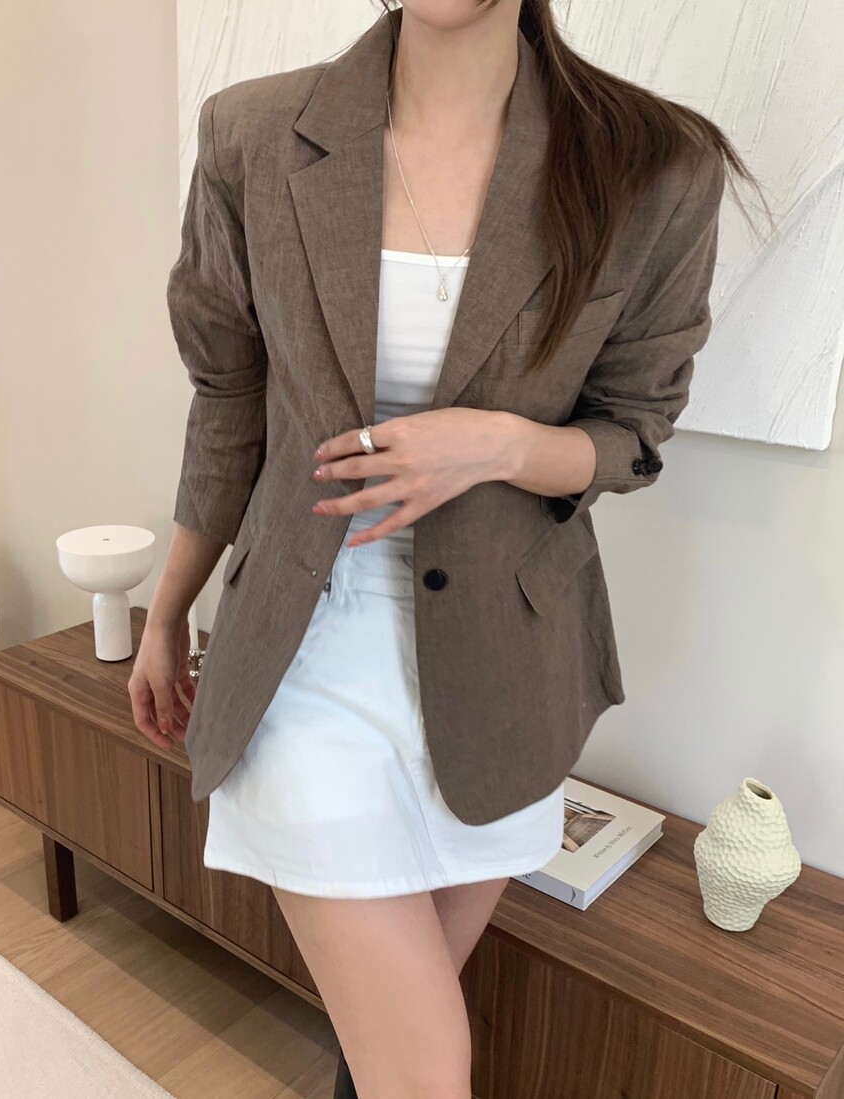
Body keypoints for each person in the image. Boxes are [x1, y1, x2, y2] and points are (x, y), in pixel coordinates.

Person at [130, 2, 761, 1096]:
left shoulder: (654, 163)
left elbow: (634, 432)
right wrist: (167, 607)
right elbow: (228, 401)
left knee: (384, 1047)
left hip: (504, 682)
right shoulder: (251, 135)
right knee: (425, 1067)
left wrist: (501, 445)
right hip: (305, 660)